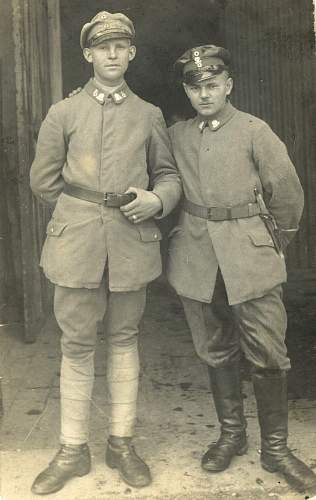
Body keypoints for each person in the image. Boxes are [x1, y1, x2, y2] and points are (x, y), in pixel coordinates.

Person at [30, 11, 181, 495]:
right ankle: (72, 449)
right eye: (103, 47)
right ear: (89, 55)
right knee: (75, 344)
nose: (112, 55)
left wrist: (157, 200)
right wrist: (82, 215)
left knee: (124, 339)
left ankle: (121, 443)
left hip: (131, 246)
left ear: (132, 54)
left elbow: (168, 175)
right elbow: (43, 181)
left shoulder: (149, 115)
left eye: (121, 47)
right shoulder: (64, 113)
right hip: (76, 246)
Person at [167, 44, 316, 493]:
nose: (204, 95)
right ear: (187, 92)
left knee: (268, 352)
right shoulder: (177, 136)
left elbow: (288, 197)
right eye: (196, 88)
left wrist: (267, 246)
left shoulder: (255, 131)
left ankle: (276, 449)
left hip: (250, 258)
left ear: (228, 85)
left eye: (212, 85)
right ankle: (232, 435)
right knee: (215, 349)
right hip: (197, 257)